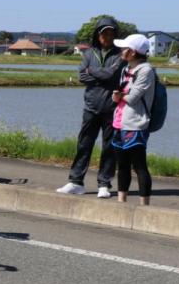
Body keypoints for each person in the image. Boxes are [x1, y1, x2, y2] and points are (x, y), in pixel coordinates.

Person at [58, 16, 124, 197]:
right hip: (90, 106)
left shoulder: (120, 55)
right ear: (97, 34)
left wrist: (92, 71)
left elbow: (112, 75)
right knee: (84, 145)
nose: (107, 36)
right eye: (104, 33)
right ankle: (76, 182)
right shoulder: (88, 54)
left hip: (112, 108)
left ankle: (104, 184)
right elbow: (82, 76)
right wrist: (101, 75)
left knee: (109, 147)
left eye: (110, 33)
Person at [110, 34, 155, 206]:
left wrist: (121, 95)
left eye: (124, 48)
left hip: (136, 124)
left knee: (139, 166)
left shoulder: (146, 70)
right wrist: (118, 96)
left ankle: (144, 206)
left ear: (133, 52)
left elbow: (133, 98)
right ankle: (121, 202)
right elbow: (122, 96)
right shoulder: (126, 69)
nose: (121, 51)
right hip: (119, 122)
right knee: (122, 165)